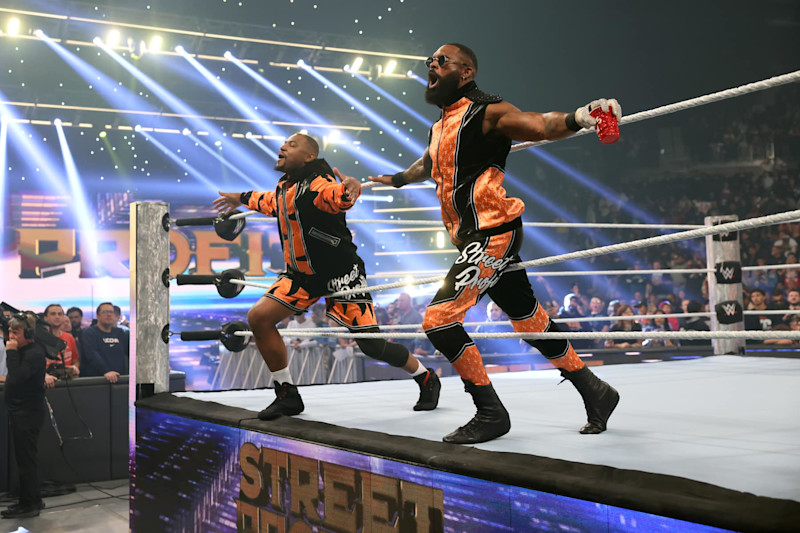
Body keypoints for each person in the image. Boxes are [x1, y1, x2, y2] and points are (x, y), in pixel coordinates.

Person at [355, 42, 620, 444]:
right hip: (472, 238)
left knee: (439, 320)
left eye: (441, 60)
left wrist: (580, 117)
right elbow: (426, 164)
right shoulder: (441, 124)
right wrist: (396, 180)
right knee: (528, 318)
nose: (431, 63)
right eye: (431, 59)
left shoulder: (487, 110)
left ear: (465, 72)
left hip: (494, 231)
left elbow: (540, 125)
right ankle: (595, 391)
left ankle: (490, 413)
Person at [213, 132, 440, 420]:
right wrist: (241, 198)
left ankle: (425, 377)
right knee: (259, 317)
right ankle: (287, 394)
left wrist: (351, 188)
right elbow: (269, 201)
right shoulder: (285, 187)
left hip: (341, 275)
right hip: (302, 276)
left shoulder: (320, 184)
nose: (283, 146)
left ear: (309, 156)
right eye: (284, 143)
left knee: (371, 346)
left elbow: (339, 197)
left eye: (292, 144)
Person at [2, 312, 46, 519]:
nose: (11, 336)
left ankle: (28, 505)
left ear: (28, 333)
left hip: (27, 414)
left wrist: (10, 351)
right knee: (26, 460)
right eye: (9, 331)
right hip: (21, 412)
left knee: (26, 461)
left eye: (15, 332)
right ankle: (33, 499)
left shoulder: (34, 352)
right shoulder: (24, 348)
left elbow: (18, 377)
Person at [80, 302, 129, 382]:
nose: (109, 314)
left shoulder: (120, 333)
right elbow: (92, 355)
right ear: (98, 316)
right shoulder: (89, 333)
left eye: (111, 312)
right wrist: (105, 371)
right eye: (105, 312)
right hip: (99, 380)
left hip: (120, 379)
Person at [42, 303, 80, 387]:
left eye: (60, 314)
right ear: (45, 318)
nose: (57, 317)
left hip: (68, 381)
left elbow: (75, 360)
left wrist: (75, 367)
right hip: (48, 383)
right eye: (53, 314)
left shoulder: (69, 337)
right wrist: (44, 375)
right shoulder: (40, 339)